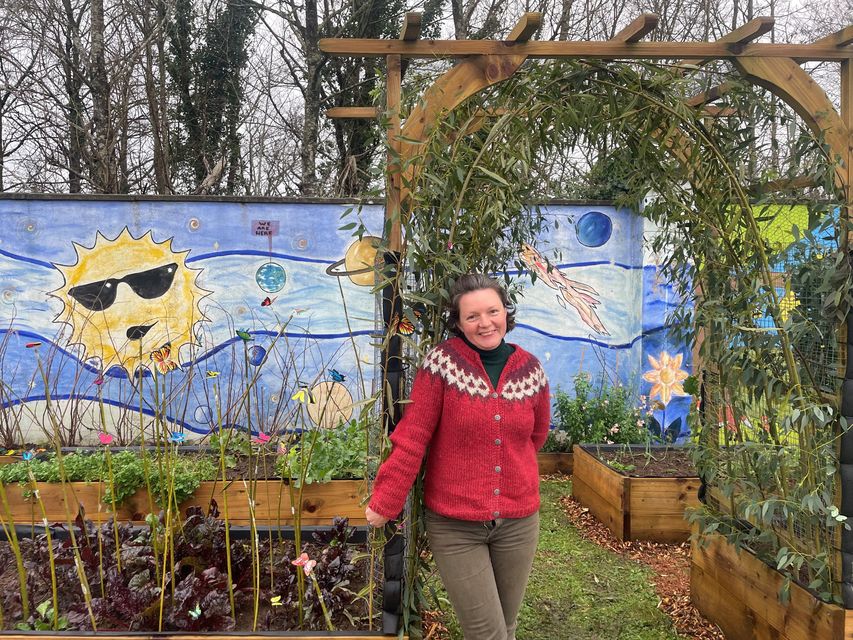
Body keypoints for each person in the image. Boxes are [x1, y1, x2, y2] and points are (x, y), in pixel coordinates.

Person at [365, 273, 551, 640]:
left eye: (492, 311)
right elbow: (414, 435)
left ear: (505, 312)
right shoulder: (442, 365)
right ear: (458, 322)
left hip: (518, 522)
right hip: (456, 524)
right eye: (472, 316)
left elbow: (536, 435)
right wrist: (386, 499)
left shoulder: (530, 370)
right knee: (487, 632)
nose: (485, 323)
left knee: (506, 627)